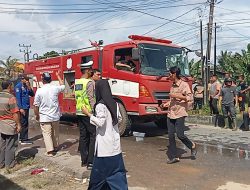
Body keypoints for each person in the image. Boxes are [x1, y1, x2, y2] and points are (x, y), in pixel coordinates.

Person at [81, 79, 128, 190]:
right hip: (115, 147)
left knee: (97, 178)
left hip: (104, 149)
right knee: (117, 174)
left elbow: (101, 123)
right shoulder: (114, 104)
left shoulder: (100, 106)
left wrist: (88, 114)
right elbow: (120, 119)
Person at [161, 66, 197, 164]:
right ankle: (174, 157)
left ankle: (192, 146)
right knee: (171, 135)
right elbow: (172, 100)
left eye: (170, 74)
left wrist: (175, 95)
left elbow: (189, 98)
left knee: (180, 135)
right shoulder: (172, 86)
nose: (169, 76)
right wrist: (165, 104)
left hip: (180, 113)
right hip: (171, 113)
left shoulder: (184, 85)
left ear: (174, 74)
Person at [33, 71, 65, 156]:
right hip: (55, 116)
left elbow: (36, 105)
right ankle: (55, 147)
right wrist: (58, 76)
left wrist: (37, 115)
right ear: (50, 80)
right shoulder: (55, 88)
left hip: (44, 117)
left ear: (42, 80)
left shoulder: (39, 91)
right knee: (55, 133)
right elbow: (63, 86)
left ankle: (50, 151)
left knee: (47, 134)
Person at [75, 60, 96, 170]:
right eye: (91, 70)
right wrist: (93, 111)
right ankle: (91, 161)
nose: (92, 71)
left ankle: (84, 160)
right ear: (87, 71)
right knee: (93, 135)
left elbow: (77, 97)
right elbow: (91, 97)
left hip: (79, 111)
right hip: (87, 112)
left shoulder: (77, 82)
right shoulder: (89, 82)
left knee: (83, 136)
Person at [0, 80, 21, 169]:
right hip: (9, 124)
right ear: (9, 86)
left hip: (1, 124)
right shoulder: (11, 97)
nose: (13, 87)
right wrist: (18, 124)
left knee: (2, 145)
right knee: (11, 145)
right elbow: (15, 113)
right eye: (12, 85)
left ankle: (1, 163)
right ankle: (10, 164)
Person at [14, 74, 34, 145]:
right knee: (23, 122)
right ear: (22, 79)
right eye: (26, 79)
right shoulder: (18, 87)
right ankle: (23, 139)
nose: (28, 80)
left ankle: (24, 137)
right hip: (23, 107)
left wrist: (29, 87)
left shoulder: (26, 86)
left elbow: (32, 94)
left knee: (25, 122)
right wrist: (20, 108)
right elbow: (18, 98)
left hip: (27, 106)